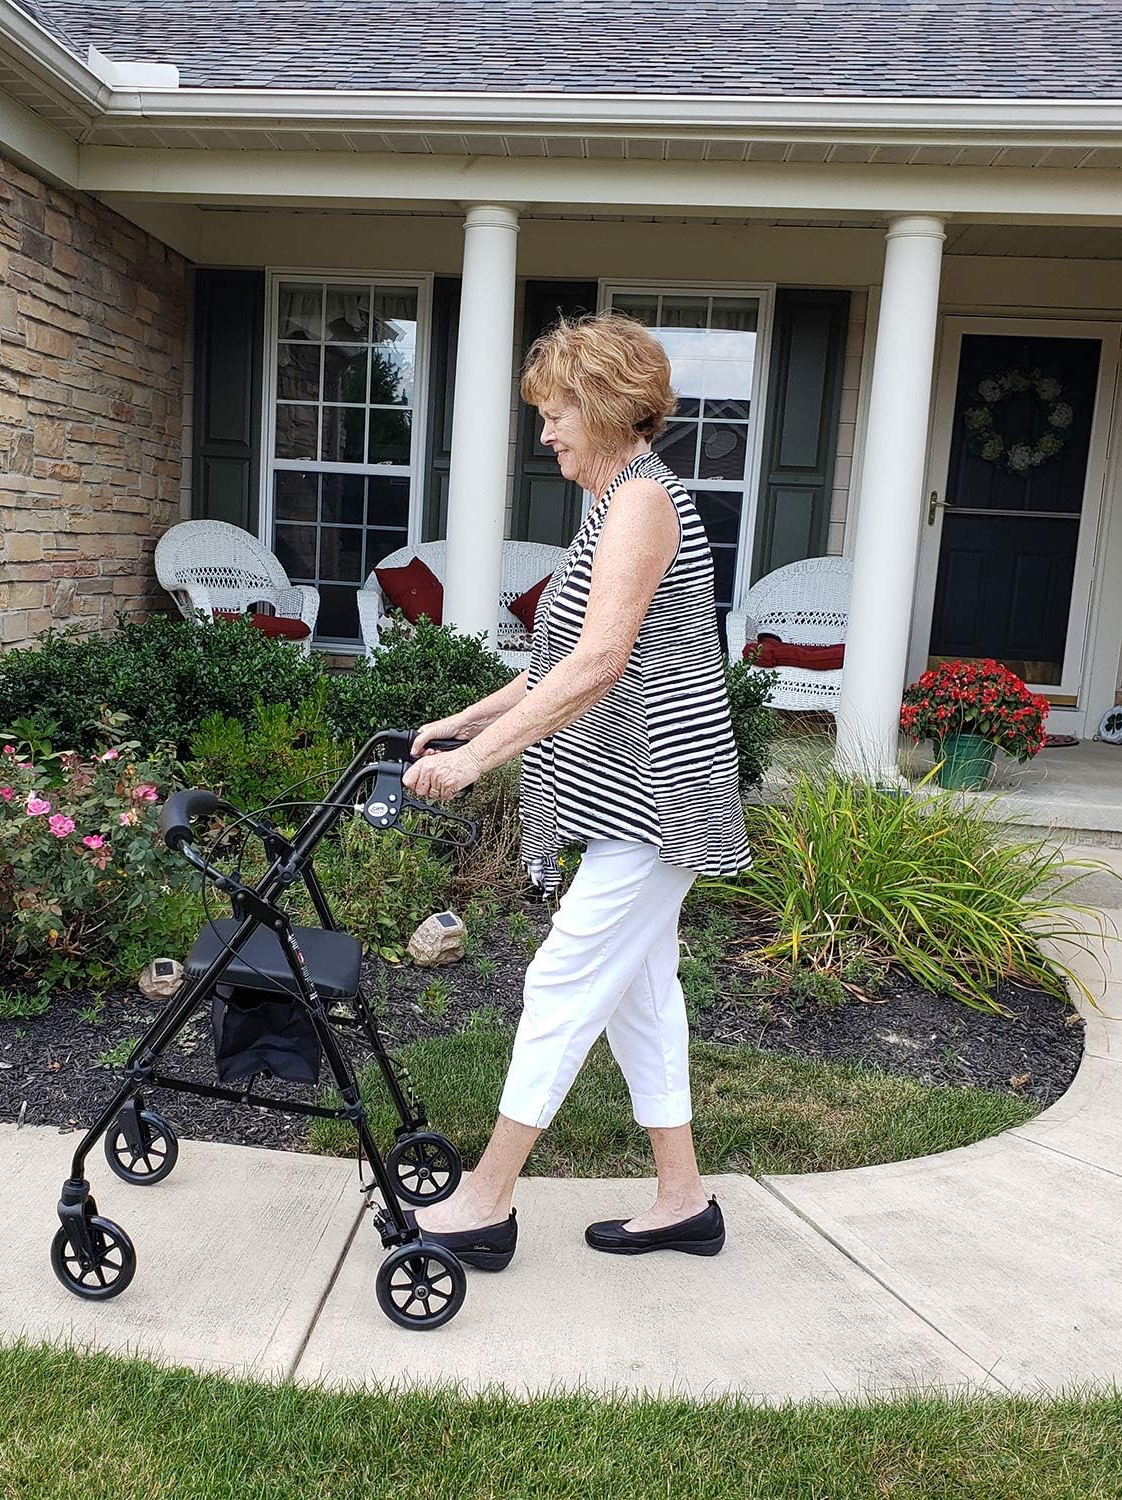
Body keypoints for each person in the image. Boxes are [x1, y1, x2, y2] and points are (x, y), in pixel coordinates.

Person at [400, 312, 751, 1270]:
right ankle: (684, 1202)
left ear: (602, 406)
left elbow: (600, 662)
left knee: (561, 980)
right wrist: (466, 720)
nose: (546, 432)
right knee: (642, 996)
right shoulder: (610, 505)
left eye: (557, 413)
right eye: (543, 415)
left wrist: (478, 764)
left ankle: (486, 1198)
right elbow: (556, 658)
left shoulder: (643, 503)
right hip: (632, 796)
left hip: (662, 793)